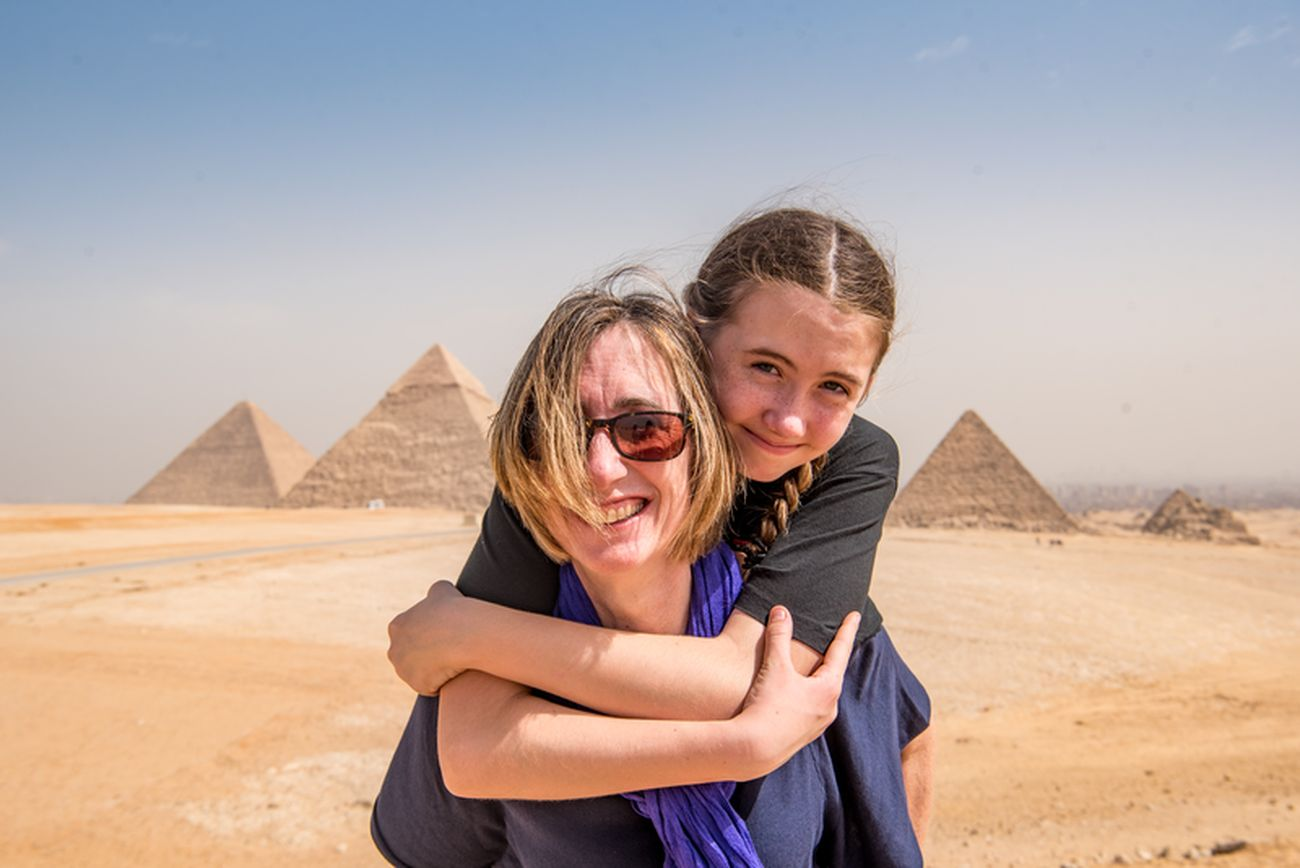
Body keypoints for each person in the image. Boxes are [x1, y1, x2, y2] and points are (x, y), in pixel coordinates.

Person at [387, 208, 933, 861]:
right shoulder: (569, 468)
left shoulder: (852, 458)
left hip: (825, 680)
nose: (789, 420)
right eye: (765, 367)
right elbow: (473, 746)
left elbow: (743, 679)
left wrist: (470, 633)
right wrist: (743, 743)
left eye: (835, 387)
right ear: (695, 335)